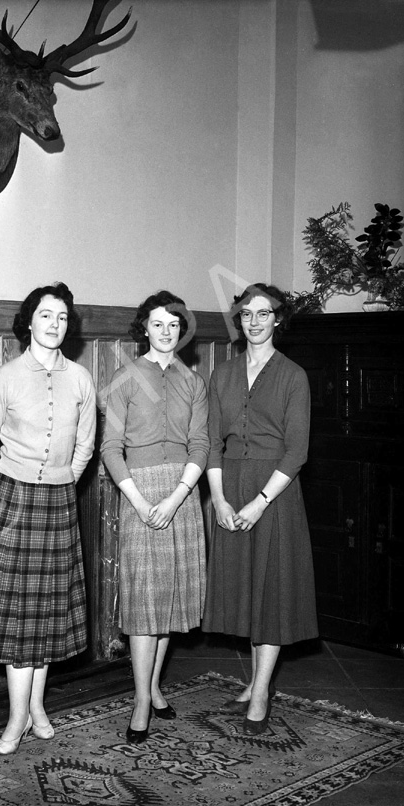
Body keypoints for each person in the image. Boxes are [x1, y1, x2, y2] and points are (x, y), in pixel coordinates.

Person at [0, 282, 96, 755]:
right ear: (29, 321)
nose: (55, 324)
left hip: (59, 501)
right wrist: (7, 486)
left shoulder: (80, 379)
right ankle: (17, 717)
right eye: (46, 315)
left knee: (46, 613)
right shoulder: (5, 377)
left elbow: (85, 445)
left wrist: (63, 478)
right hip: (12, 501)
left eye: (62, 317)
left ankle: (37, 708)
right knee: (18, 615)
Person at [202, 282, 318, 735]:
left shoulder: (293, 376)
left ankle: (263, 690)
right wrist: (220, 498)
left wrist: (259, 502)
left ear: (277, 319)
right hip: (229, 483)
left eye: (263, 313)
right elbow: (211, 441)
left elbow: (297, 451)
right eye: (247, 313)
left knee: (271, 591)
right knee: (248, 586)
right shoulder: (223, 374)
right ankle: (253, 682)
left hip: (276, 491)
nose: (254, 321)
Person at [101, 290, 209, 744]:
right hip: (139, 494)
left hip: (182, 494)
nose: (166, 332)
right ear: (144, 327)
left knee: (169, 599)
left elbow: (200, 444)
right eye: (158, 323)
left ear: (182, 332)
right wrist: (142, 502)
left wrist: (179, 495)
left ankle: (155, 686)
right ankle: (141, 699)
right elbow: (111, 448)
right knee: (145, 603)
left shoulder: (193, 382)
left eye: (174, 325)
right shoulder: (125, 378)